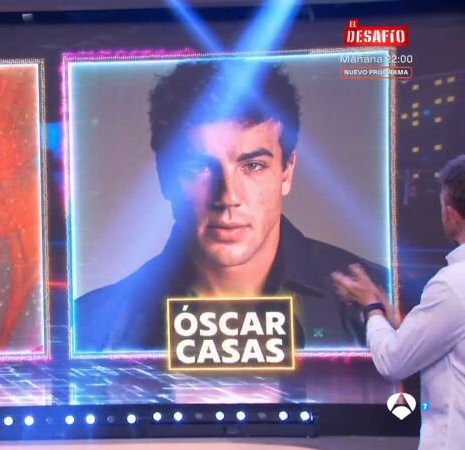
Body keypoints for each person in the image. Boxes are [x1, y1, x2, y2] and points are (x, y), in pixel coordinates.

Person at [76, 61, 387, 353]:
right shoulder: (90, 326)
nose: (227, 196)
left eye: (253, 165)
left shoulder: (385, 298)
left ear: (287, 172)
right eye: (199, 167)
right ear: (164, 175)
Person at [332, 155, 465, 450]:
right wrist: (397, 324)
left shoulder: (453, 285)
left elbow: (393, 362)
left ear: (452, 214)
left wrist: (371, 307)